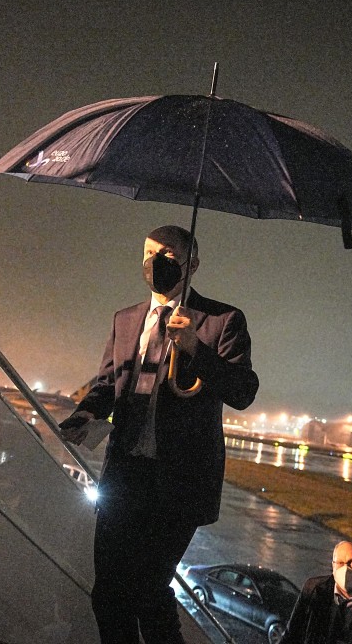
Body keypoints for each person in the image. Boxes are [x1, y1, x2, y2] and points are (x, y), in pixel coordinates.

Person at [60, 225, 259, 644]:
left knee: (148, 592)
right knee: (108, 595)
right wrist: (83, 415)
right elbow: (108, 385)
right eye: (149, 253)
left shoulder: (223, 321)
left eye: (167, 254)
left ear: (192, 264)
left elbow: (243, 391)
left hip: (180, 484)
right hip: (125, 474)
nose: (156, 263)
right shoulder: (126, 319)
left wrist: (194, 348)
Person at [281, 541, 352, 644]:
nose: (345, 569)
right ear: (333, 566)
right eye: (340, 563)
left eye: (351, 563)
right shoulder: (314, 589)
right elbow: (292, 633)